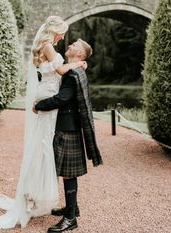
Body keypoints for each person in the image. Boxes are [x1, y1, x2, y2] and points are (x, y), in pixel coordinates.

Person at [0, 16, 86, 230]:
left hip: (48, 98)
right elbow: (61, 71)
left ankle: (41, 197)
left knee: (43, 148)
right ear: (55, 31)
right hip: (49, 100)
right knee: (43, 149)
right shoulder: (48, 46)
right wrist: (78, 63)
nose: (63, 37)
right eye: (62, 32)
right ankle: (34, 195)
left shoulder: (46, 46)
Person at [33, 38, 103, 233]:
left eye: (74, 46)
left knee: (68, 172)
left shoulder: (74, 73)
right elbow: (60, 71)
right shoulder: (74, 69)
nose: (70, 45)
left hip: (67, 127)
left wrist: (39, 106)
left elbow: (62, 99)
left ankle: (70, 218)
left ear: (80, 55)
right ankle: (72, 208)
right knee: (66, 171)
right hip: (68, 125)